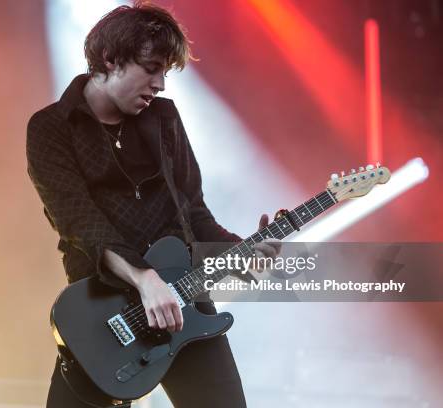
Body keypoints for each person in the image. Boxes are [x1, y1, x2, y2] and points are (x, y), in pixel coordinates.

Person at [26, 3, 280, 407]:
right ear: (110, 59)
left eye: (166, 72)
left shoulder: (164, 119)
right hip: (103, 319)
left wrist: (242, 248)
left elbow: (193, 212)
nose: (160, 84)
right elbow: (77, 221)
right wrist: (145, 280)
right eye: (151, 68)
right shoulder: (51, 128)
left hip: (182, 305)